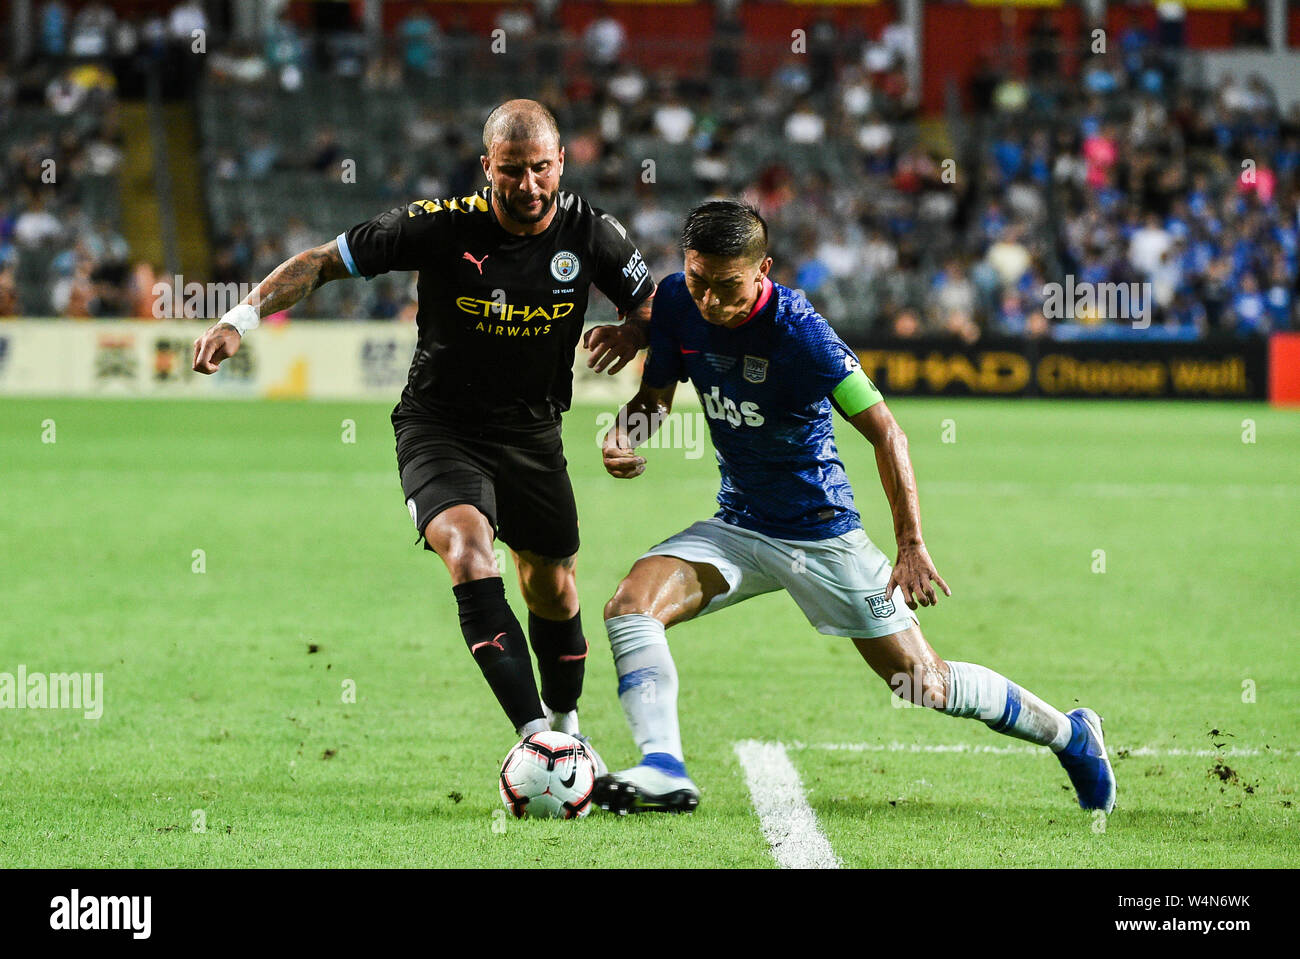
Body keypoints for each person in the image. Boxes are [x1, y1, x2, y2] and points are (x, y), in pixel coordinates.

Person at [593, 200, 1115, 814]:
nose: (708, 299)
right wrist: (625, 434)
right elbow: (655, 399)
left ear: (763, 269)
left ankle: (1071, 735)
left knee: (924, 684)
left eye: (726, 285)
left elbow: (887, 432)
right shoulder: (677, 303)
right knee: (630, 606)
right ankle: (664, 768)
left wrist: (910, 544)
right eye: (697, 279)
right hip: (738, 524)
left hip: (821, 533)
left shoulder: (802, 334)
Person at [192, 100, 656, 761]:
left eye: (542, 168)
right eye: (512, 170)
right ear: (487, 166)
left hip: (532, 433)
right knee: (469, 553)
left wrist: (635, 337)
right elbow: (322, 261)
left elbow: (651, 305)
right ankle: (538, 742)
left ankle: (566, 720)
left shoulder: (592, 233)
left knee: (552, 587)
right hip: (440, 426)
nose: (529, 185)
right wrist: (237, 320)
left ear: (562, 161)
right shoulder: (438, 226)